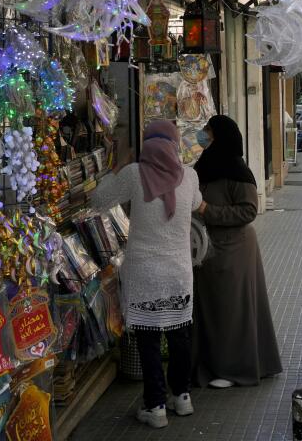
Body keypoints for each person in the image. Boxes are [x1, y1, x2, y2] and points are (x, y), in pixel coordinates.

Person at [90, 120, 201, 429]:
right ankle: (182, 396)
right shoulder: (189, 176)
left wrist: (117, 167)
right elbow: (193, 203)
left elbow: (98, 201)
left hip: (144, 273)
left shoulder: (134, 175)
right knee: (180, 336)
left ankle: (156, 406)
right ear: (175, 143)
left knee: (150, 341)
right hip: (178, 271)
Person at [191, 115, 282, 389]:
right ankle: (214, 364)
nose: (203, 134)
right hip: (207, 248)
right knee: (212, 308)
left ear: (221, 136)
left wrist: (209, 210)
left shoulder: (237, 171)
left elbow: (248, 210)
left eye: (208, 130)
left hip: (234, 249)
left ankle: (233, 369)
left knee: (232, 309)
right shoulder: (205, 165)